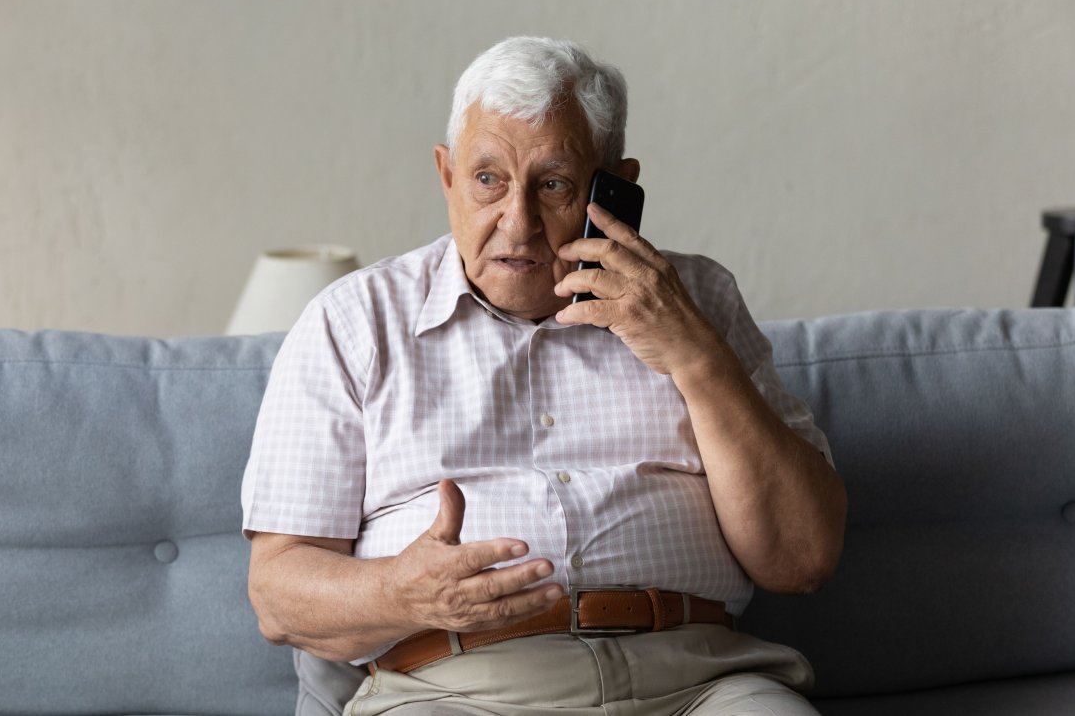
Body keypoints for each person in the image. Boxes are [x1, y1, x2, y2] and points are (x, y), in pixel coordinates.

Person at [242, 36, 847, 715]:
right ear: (447, 177)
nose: (518, 222)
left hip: (700, 684)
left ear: (616, 186)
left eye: (553, 184)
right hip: (454, 691)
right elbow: (277, 593)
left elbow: (802, 559)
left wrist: (696, 357)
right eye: (488, 180)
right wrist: (400, 593)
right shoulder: (352, 322)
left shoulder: (697, 300)